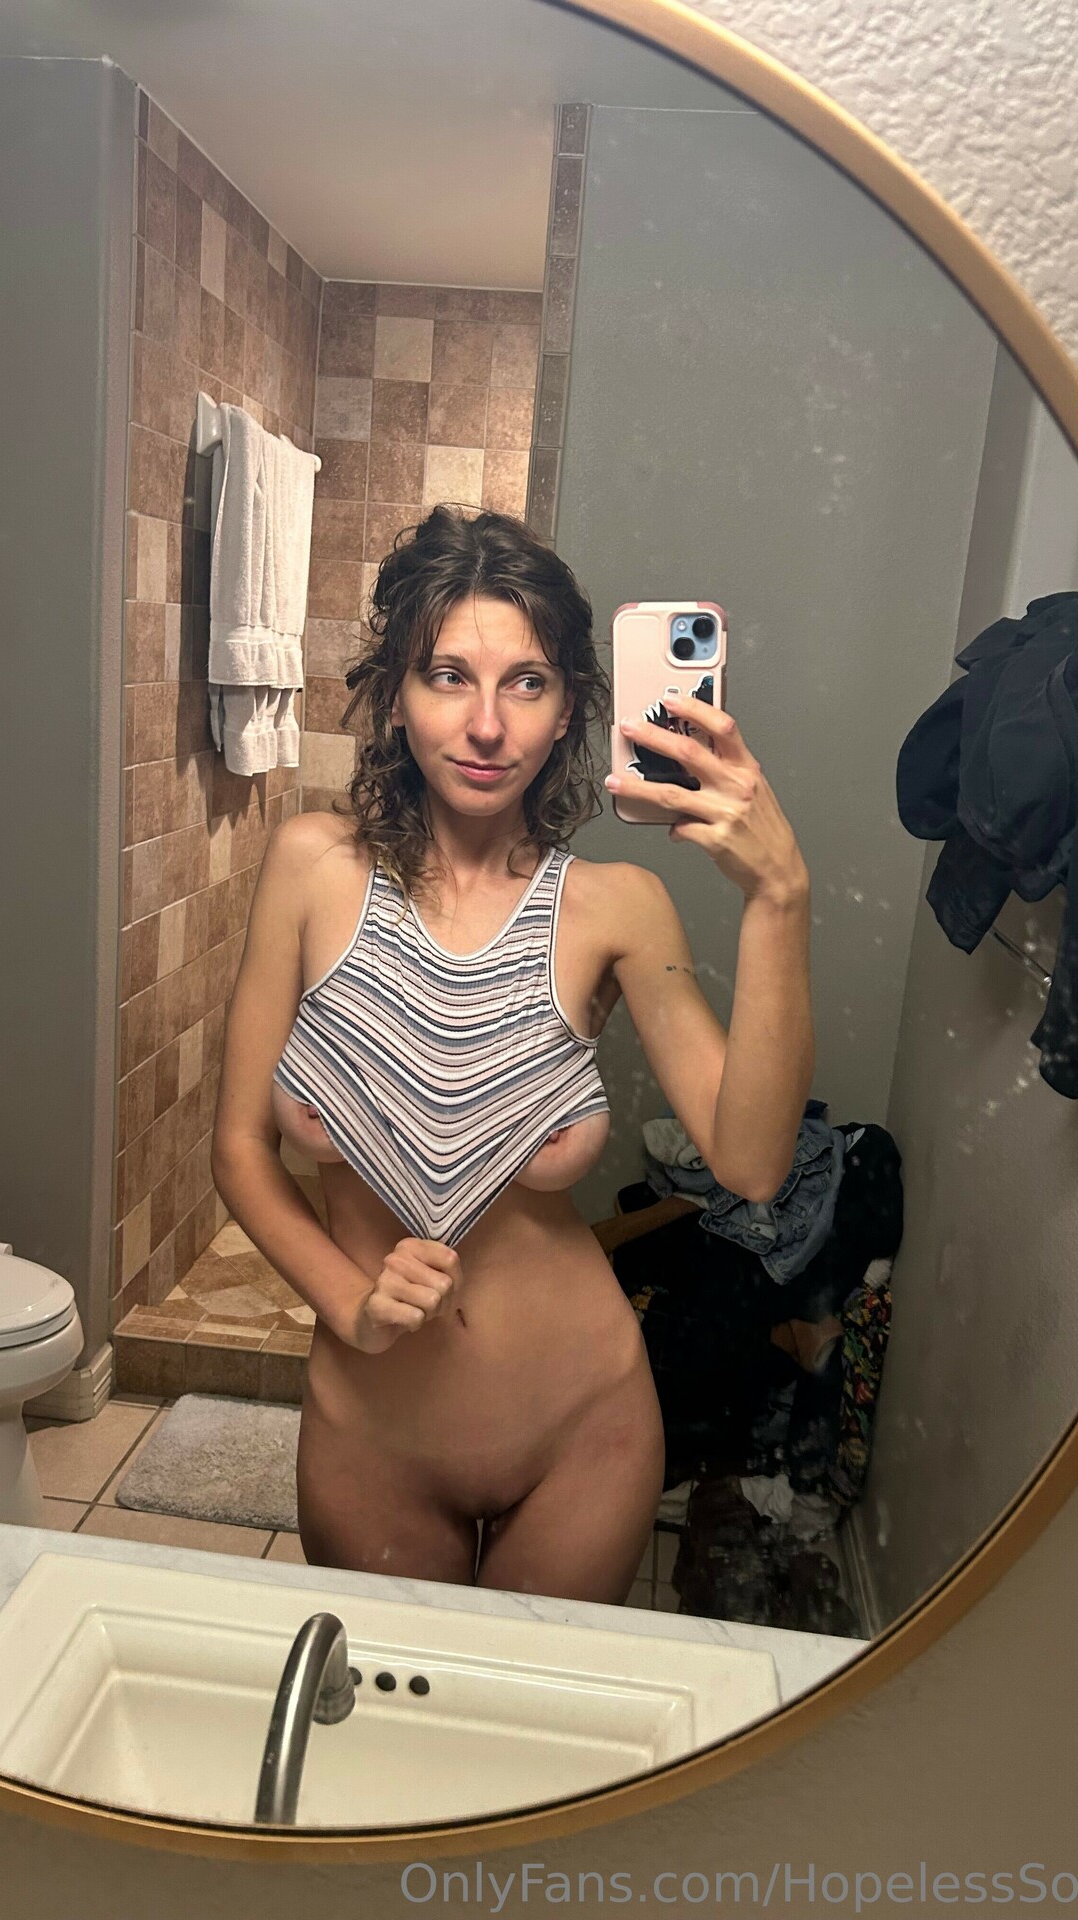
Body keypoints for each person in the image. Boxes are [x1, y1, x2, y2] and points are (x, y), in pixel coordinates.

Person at [211, 506, 813, 1605]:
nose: (486, 726)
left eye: (527, 683)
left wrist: (779, 900)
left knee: (541, 1719)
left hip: (583, 1428)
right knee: (391, 1711)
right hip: (371, 1431)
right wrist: (348, 1301)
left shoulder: (618, 906)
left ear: (569, 705)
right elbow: (241, 1150)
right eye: (449, 676)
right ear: (396, 692)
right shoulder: (307, 868)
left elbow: (753, 1163)